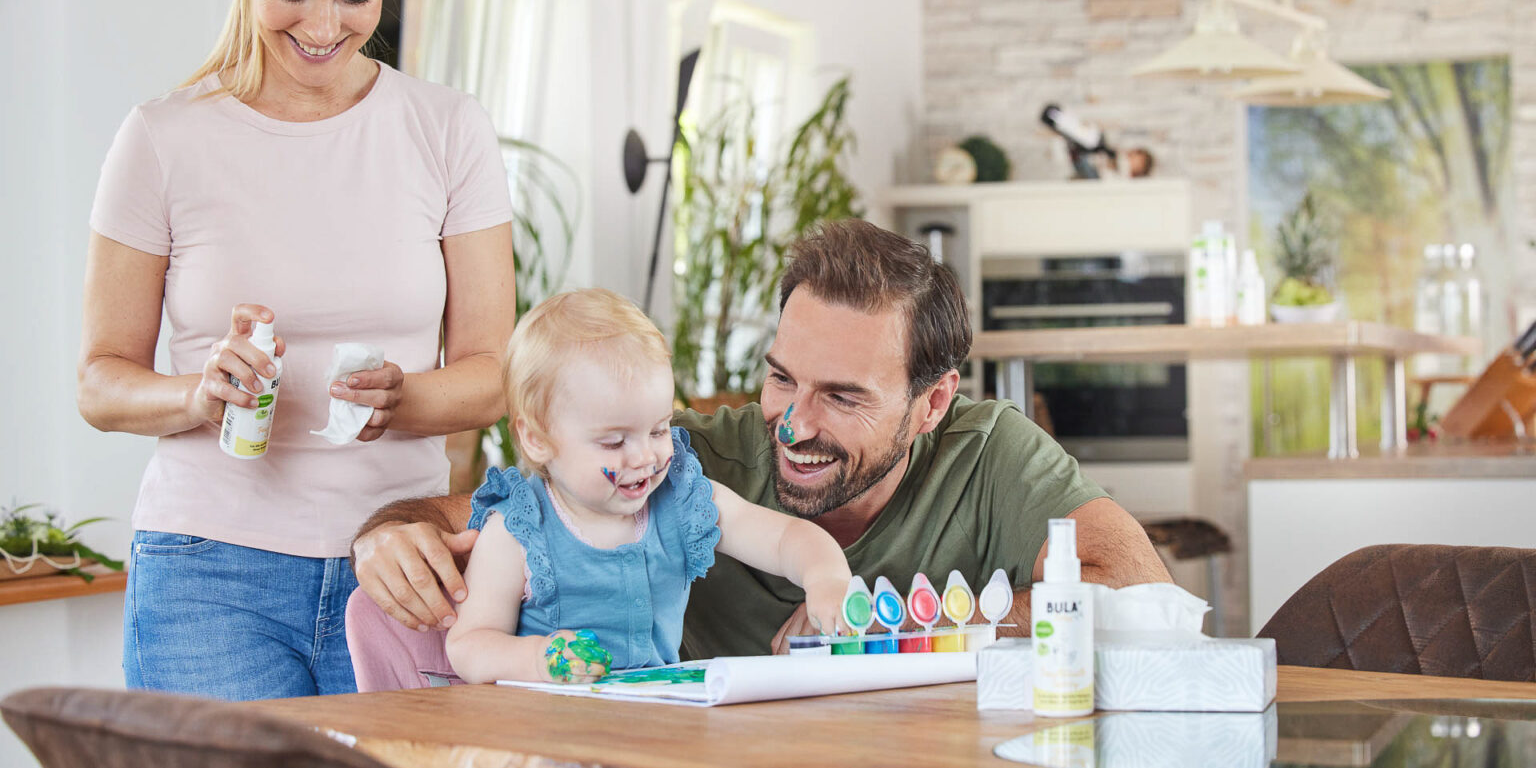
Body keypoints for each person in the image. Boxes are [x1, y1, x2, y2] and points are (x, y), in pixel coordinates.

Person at [76, 0, 517, 699]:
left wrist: (405, 397)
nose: (323, 27)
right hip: (209, 574)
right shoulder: (163, 139)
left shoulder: (447, 130)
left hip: (401, 567)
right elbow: (99, 381)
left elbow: (494, 374)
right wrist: (197, 394)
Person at [353, 220, 1169, 659]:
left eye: (843, 396)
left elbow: (1135, 584)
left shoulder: (990, 451)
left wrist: (888, 628)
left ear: (932, 403)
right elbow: (457, 512)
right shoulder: (676, 460)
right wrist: (389, 533)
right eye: (783, 377)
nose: (795, 422)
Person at [445, 289, 850, 684]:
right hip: (545, 733)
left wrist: (825, 577)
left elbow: (782, 539)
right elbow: (469, 646)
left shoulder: (679, 499)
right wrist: (538, 659)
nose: (645, 457)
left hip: (659, 720)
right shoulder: (517, 531)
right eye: (615, 441)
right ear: (537, 438)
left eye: (658, 430)